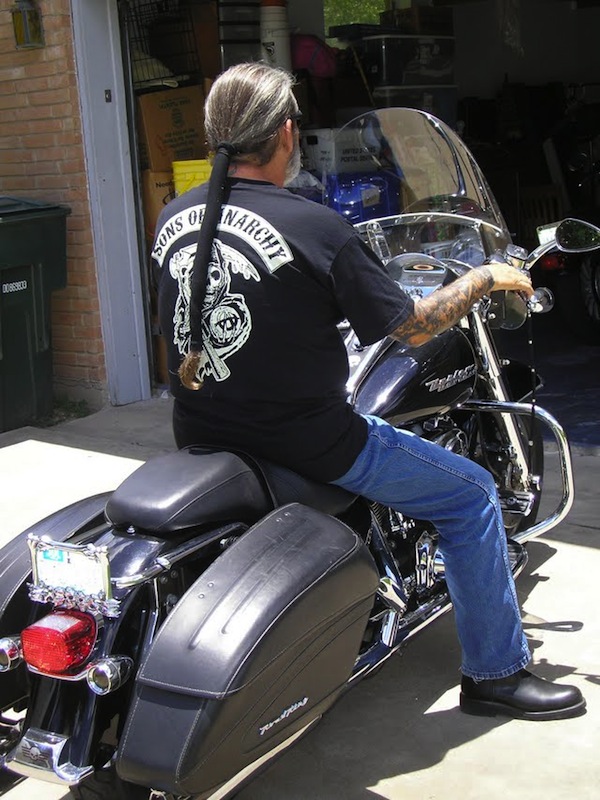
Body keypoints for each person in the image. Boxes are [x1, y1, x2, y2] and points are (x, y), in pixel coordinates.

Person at [154, 62, 585, 721]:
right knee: (470, 495)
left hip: (203, 430)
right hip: (309, 441)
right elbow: (411, 329)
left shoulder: (176, 217)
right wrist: (486, 278)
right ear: (287, 134)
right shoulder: (315, 226)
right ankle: (496, 674)